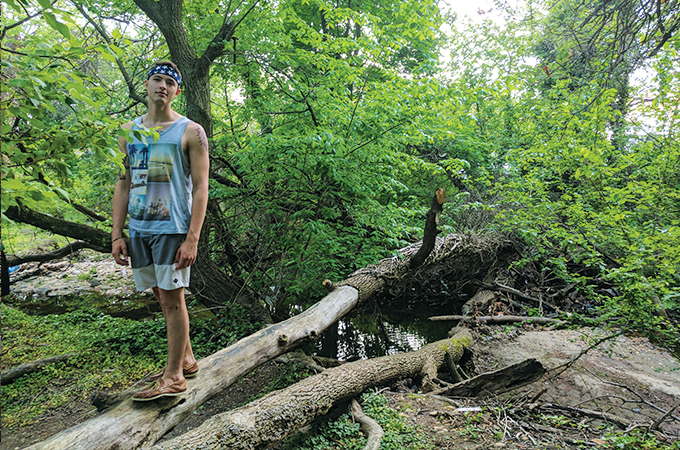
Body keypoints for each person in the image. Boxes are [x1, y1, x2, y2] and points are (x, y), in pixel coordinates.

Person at [111, 61, 210, 401]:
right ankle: (186, 359)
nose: (162, 86)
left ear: (177, 91)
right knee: (159, 293)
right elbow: (123, 183)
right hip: (139, 229)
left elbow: (201, 188)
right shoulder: (128, 131)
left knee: (172, 300)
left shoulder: (190, 131)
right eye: (157, 79)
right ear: (147, 85)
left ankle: (174, 378)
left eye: (170, 82)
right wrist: (116, 233)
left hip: (173, 229)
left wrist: (192, 238)